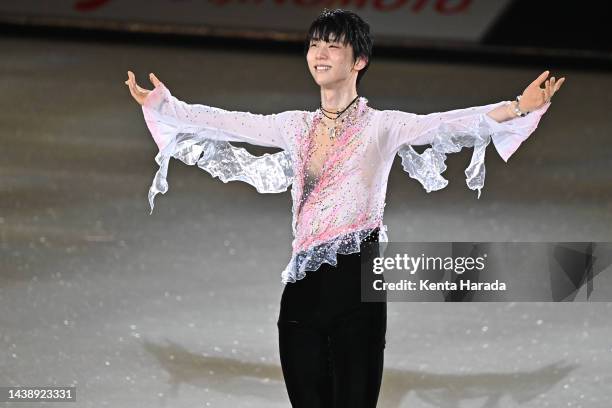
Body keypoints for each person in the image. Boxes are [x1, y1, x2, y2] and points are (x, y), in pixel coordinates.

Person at [125, 8, 565, 407]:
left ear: (359, 61)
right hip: (302, 295)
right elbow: (226, 121)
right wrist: (167, 107)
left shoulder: (383, 126)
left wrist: (517, 108)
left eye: (333, 46)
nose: (319, 54)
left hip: (359, 290)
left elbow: (449, 123)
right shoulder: (294, 125)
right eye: (315, 44)